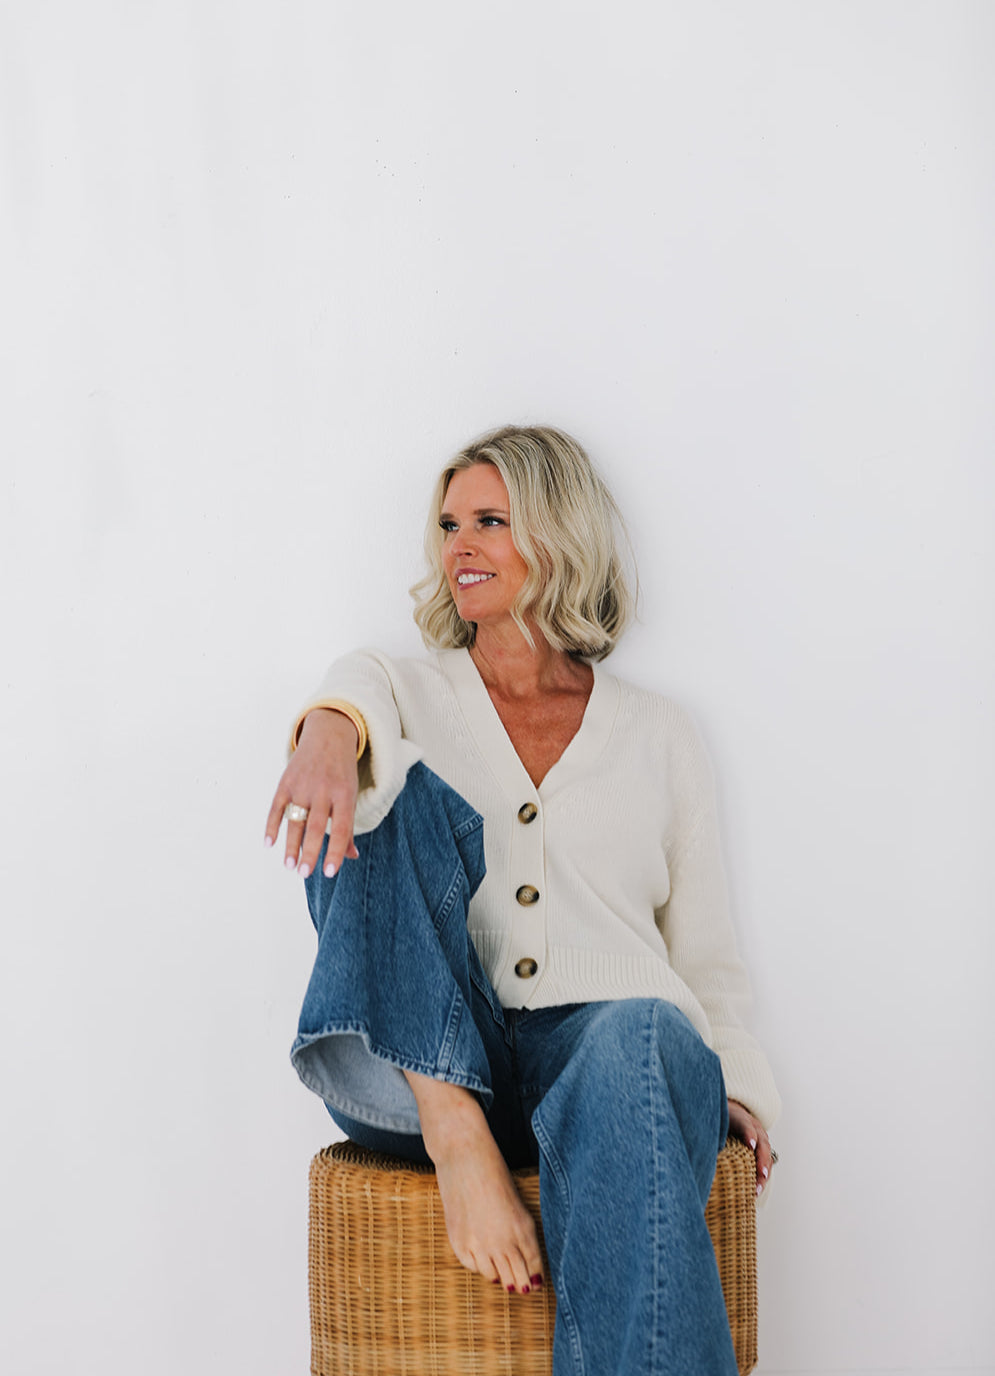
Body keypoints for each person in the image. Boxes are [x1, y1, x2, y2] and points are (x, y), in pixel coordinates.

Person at [265, 424, 779, 1376]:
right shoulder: (407, 694)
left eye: (490, 521)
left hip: (607, 1062)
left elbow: (705, 952)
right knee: (389, 785)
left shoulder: (661, 735)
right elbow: (361, 681)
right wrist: (331, 732)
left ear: (558, 536)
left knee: (641, 1033)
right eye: (449, 523)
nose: (458, 546)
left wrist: (735, 1084)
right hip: (425, 1060)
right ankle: (458, 1131)